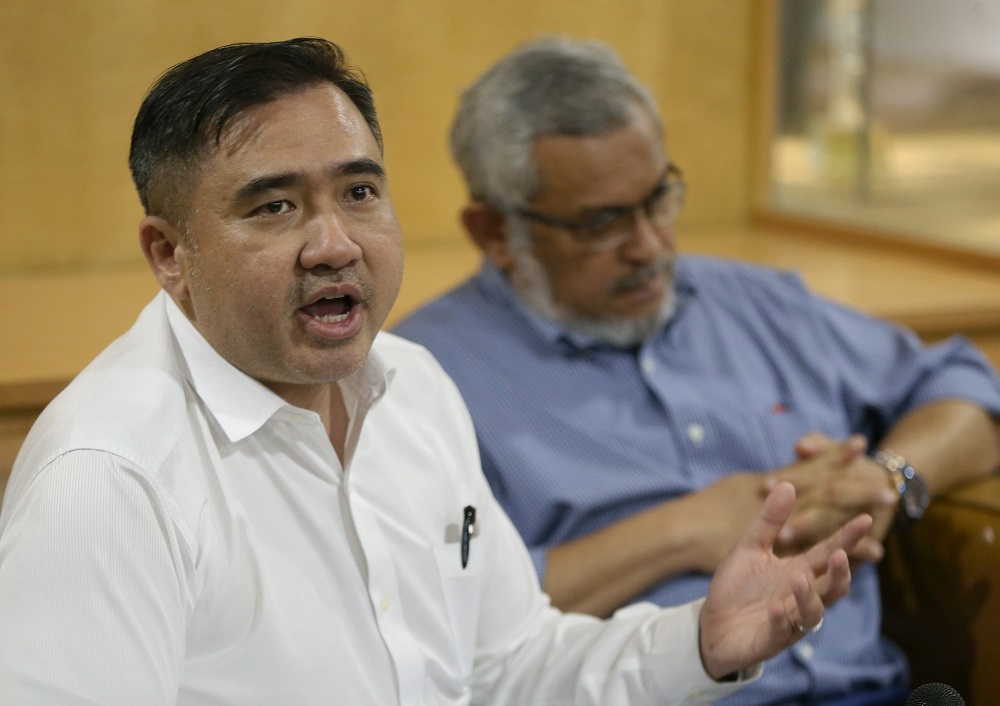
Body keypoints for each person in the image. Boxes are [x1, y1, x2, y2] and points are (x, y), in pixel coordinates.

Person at [0, 37, 870, 706]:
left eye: (360, 192)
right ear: (169, 254)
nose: (335, 243)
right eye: (274, 207)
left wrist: (705, 642)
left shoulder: (411, 385)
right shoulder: (106, 479)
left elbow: (508, 667)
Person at [392, 36, 1000, 706]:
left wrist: (888, 480)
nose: (649, 245)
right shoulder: (421, 380)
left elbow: (968, 392)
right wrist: (681, 531)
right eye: (601, 223)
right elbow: (447, 620)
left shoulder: (760, 304)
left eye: (658, 198)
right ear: (495, 233)